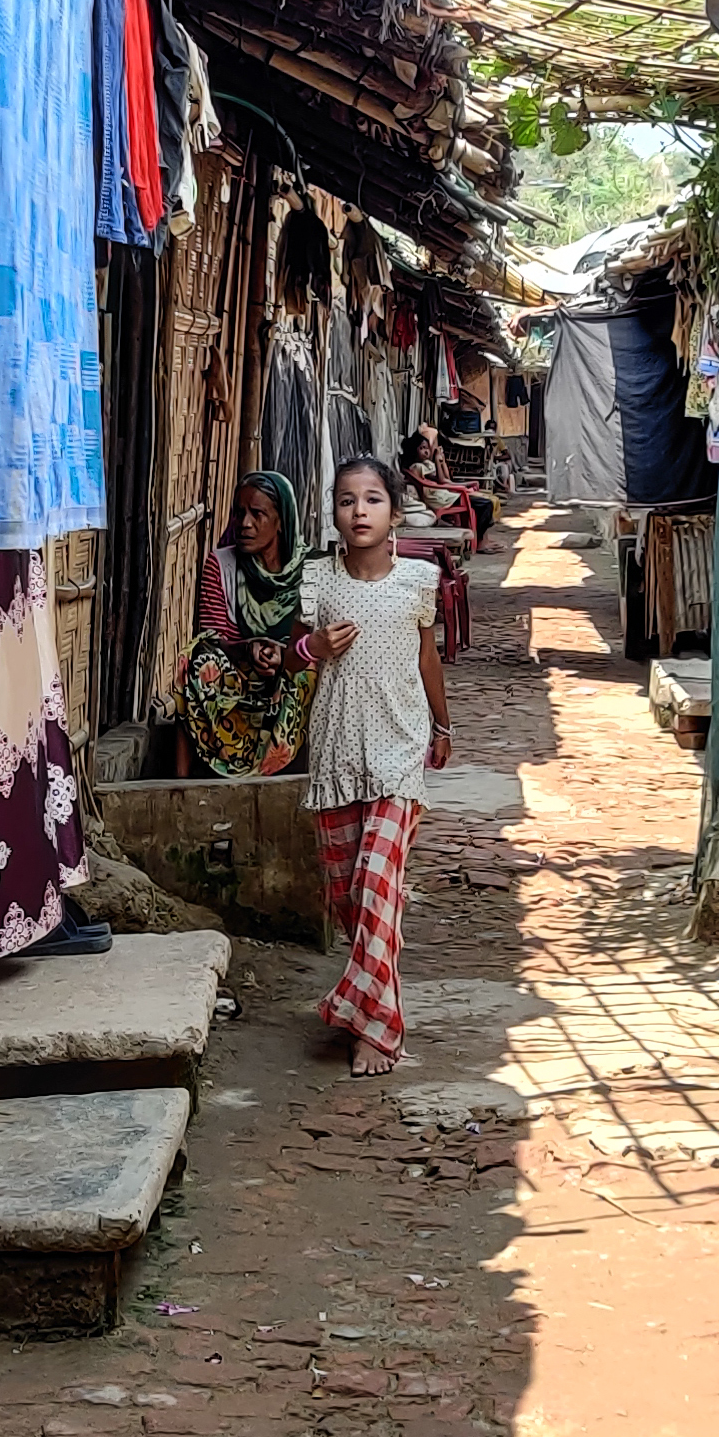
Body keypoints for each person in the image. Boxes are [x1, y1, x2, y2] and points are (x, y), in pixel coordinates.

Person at [292, 456, 450, 1076]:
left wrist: (442, 725)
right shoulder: (316, 582)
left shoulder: (418, 580)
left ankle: (377, 1030)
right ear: (333, 512)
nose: (359, 511)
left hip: (398, 751)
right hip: (335, 752)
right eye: (346, 500)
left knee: (375, 886)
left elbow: (427, 659)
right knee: (348, 901)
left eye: (373, 499)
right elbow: (285, 661)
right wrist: (313, 647)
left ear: (396, 512)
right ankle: (361, 998)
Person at [175, 470, 315, 778]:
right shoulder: (222, 564)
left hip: (291, 667)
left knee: (309, 673)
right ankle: (184, 781)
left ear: (282, 520)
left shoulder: (313, 569)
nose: (245, 524)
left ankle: (291, 764)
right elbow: (213, 636)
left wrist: (282, 654)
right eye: (239, 513)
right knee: (197, 660)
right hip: (238, 673)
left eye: (258, 514)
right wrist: (246, 649)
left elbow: (315, 635)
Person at [399, 426, 496, 552]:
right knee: (485, 504)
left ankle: (482, 539)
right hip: (441, 498)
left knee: (484, 501)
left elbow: (446, 478)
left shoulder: (426, 464)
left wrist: (441, 460)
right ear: (413, 451)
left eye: (427, 447)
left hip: (444, 494)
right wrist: (438, 461)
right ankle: (480, 542)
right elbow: (442, 480)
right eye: (421, 448)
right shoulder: (417, 467)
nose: (426, 451)